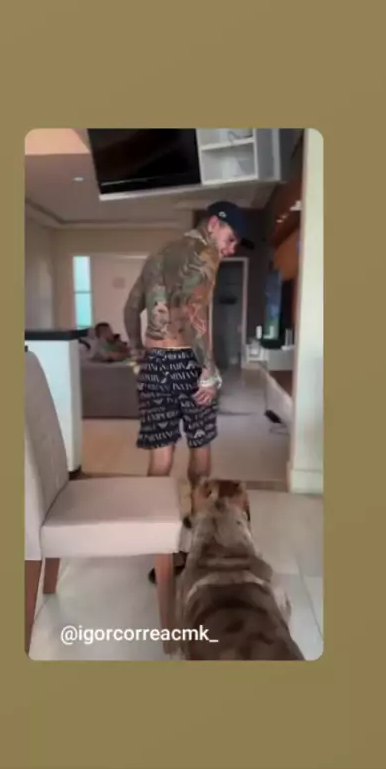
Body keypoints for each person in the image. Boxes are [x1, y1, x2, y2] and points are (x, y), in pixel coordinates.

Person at [123, 201, 253, 582]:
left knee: (160, 459)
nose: (230, 248)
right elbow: (194, 319)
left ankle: (157, 547)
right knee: (200, 449)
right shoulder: (203, 255)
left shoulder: (158, 256)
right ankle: (198, 541)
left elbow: (130, 308)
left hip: (155, 364)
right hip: (187, 363)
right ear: (213, 224)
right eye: (230, 239)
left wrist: (138, 352)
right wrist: (208, 371)